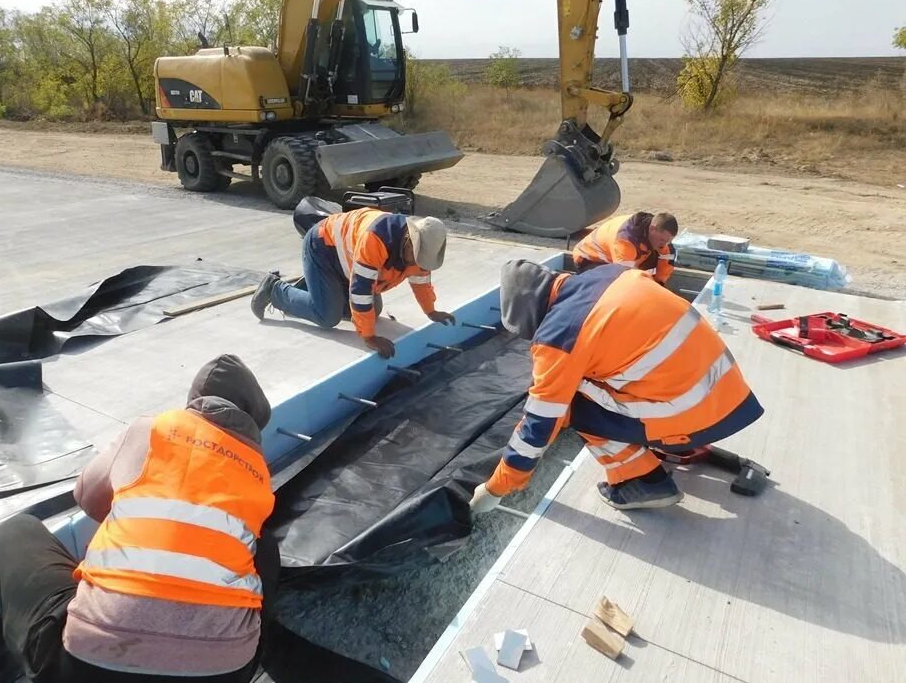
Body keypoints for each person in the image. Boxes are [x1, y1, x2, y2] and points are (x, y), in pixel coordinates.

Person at [0, 355, 279, 683]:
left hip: (88, 669)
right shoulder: (257, 470)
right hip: (224, 675)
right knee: (263, 546)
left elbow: (88, 498)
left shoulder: (152, 428)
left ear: (194, 403)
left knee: (16, 533)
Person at [470, 261, 763, 513]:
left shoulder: (561, 335)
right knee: (596, 380)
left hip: (694, 413)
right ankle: (671, 436)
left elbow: (539, 423)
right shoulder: (609, 274)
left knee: (572, 406)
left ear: (530, 314)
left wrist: (497, 488)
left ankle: (644, 482)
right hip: (727, 393)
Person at [251, 208, 456, 358]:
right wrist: (368, 337)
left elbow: (421, 281)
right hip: (323, 248)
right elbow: (361, 291)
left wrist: (431, 311)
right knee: (327, 316)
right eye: (416, 257)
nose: (418, 264)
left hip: (350, 263)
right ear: (409, 240)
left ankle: (319, 289)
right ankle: (275, 290)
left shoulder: (421, 252)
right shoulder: (376, 239)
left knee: (372, 312)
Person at [572, 211, 679, 284]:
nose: (663, 245)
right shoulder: (626, 240)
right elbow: (623, 278)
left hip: (617, 258)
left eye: (667, 241)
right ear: (652, 228)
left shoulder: (661, 237)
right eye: (662, 241)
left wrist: (658, 284)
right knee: (606, 289)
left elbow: (666, 263)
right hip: (590, 259)